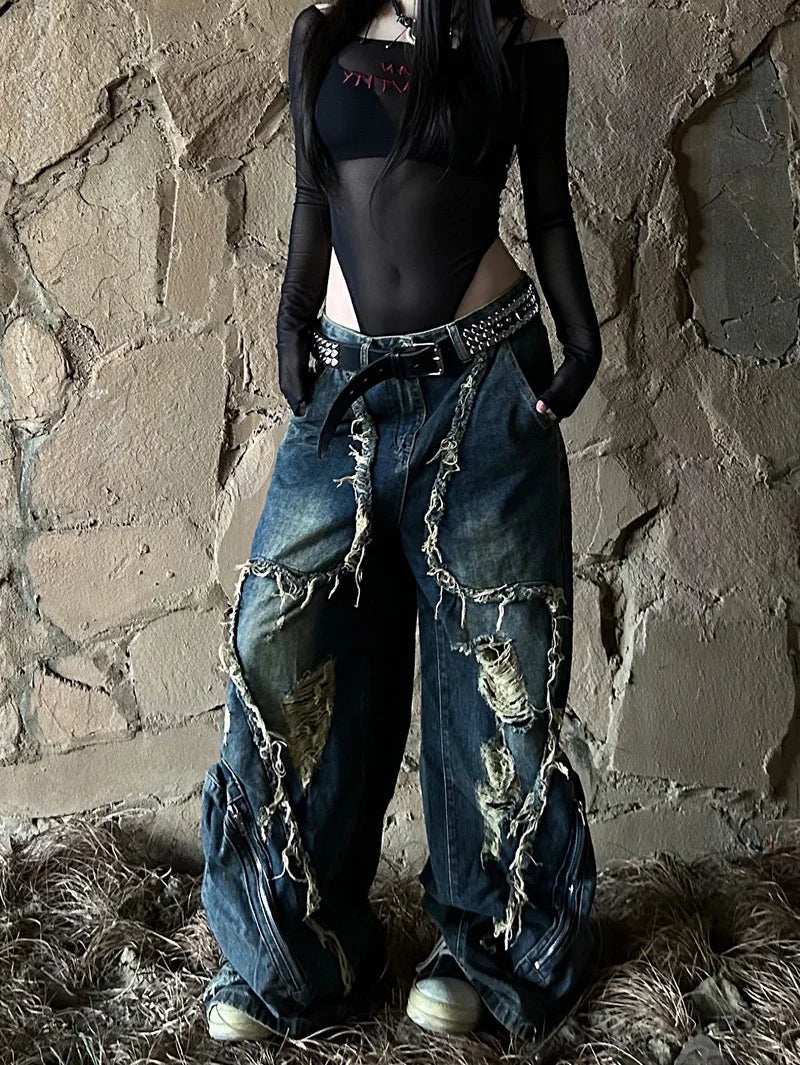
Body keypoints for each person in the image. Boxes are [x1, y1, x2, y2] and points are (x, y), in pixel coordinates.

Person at [199, 0, 603, 1048]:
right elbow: (311, 192)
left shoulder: (517, 45)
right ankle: (301, 956)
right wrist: (290, 316)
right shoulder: (322, 33)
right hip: (342, 393)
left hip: (484, 379)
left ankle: (485, 946)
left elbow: (549, 207)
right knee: (280, 646)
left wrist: (581, 337)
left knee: (495, 662)